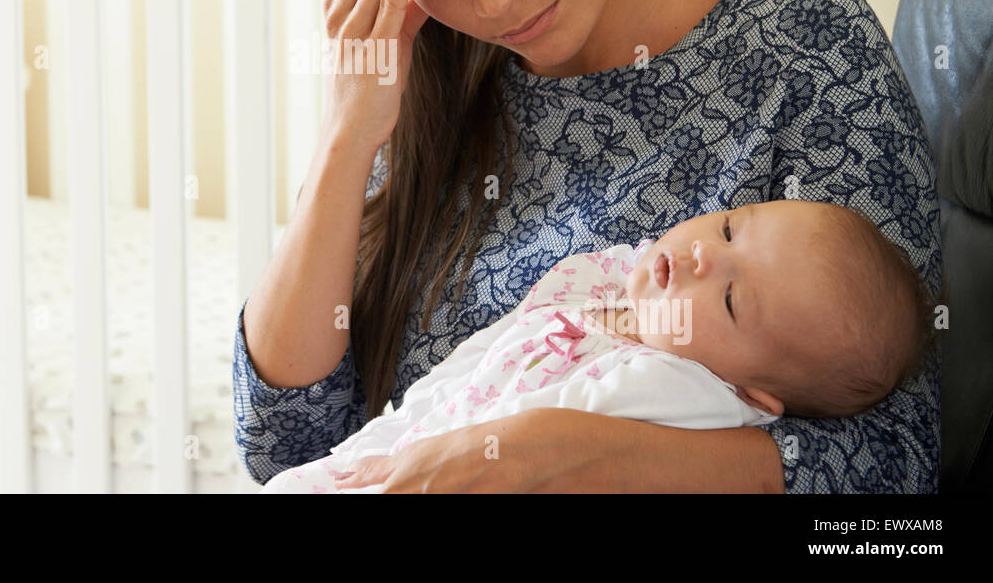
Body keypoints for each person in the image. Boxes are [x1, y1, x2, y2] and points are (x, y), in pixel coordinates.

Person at [233, 0, 941, 492]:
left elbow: (897, 475)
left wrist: (584, 456)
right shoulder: (412, 108)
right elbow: (283, 446)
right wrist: (346, 135)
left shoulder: (809, 51)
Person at [258, 199, 936, 493]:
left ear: (755, 397)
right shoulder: (614, 283)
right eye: (729, 229)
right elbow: (474, 363)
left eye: (732, 300)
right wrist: (378, 444)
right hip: (394, 453)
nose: (701, 257)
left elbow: (539, 447)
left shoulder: (686, 390)